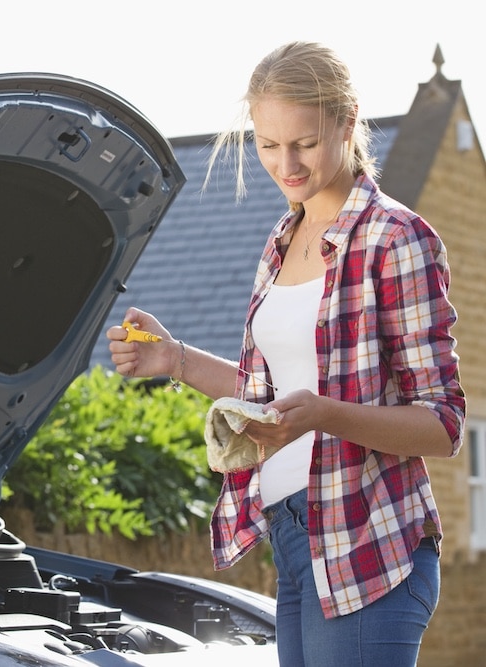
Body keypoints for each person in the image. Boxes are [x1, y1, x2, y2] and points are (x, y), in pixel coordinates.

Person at [106, 41, 465, 666]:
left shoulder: (396, 238)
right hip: (295, 538)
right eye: (268, 144)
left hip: (366, 546)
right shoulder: (282, 239)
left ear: (347, 122)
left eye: (304, 142)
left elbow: (443, 424)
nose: (286, 164)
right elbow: (271, 400)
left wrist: (325, 415)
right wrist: (174, 359)